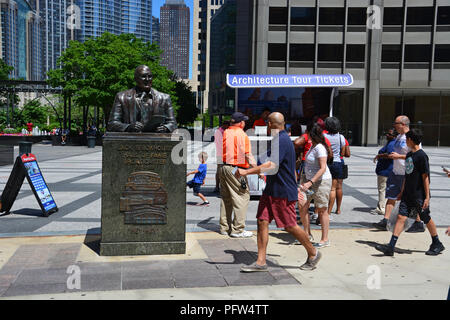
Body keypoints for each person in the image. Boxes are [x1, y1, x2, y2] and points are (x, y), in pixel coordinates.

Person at [238, 112, 322, 272]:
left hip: (282, 191)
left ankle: (313, 253)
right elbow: (269, 162)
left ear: (270, 124)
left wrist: (246, 172)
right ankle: (261, 262)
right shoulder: (278, 139)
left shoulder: (282, 140)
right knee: (262, 221)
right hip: (271, 190)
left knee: (289, 226)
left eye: (267, 123)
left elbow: (271, 165)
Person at [375, 129, 445, 256]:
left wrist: (427, 197)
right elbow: (407, 175)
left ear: (411, 140)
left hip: (419, 195)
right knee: (401, 217)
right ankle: (390, 247)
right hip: (407, 194)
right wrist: (402, 191)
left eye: (406, 139)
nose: (405, 141)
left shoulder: (422, 156)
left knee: (425, 218)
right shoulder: (409, 155)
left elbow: (425, 177)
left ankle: (437, 243)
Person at [375, 115, 425, 233]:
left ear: (403, 124)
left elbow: (416, 155)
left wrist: (399, 156)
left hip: (407, 174)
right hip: (395, 172)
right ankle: (385, 220)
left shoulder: (412, 137)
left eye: (396, 123)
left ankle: (418, 222)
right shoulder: (398, 137)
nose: (394, 125)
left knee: (412, 199)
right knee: (390, 196)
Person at [107, 65, 177, 133]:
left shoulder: (164, 98)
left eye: (149, 76)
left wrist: (166, 128)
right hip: (131, 141)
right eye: (143, 76)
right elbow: (112, 124)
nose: (147, 79)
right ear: (136, 79)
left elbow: (173, 123)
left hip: (155, 141)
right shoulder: (121, 97)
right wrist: (128, 127)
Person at [219, 112, 257, 238]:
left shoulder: (226, 132)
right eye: (244, 121)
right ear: (241, 123)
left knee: (226, 198)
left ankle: (225, 227)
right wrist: (257, 169)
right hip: (236, 169)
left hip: (223, 167)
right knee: (243, 196)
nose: (245, 123)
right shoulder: (241, 134)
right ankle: (238, 230)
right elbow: (247, 154)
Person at [299, 124, 333, 249]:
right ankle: (307, 234)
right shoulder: (312, 146)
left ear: (311, 134)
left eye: (306, 133)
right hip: (308, 181)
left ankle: (325, 239)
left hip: (321, 182)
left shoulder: (320, 148)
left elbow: (323, 168)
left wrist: (310, 182)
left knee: (322, 209)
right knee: (302, 205)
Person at [324, 117, 350, 216]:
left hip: (327, 163)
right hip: (338, 162)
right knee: (336, 188)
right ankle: (337, 209)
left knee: (326, 187)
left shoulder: (323, 136)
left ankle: (324, 209)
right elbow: (342, 153)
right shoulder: (341, 137)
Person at [371, 129, 397, 215]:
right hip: (388, 170)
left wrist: (379, 155)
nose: (387, 135)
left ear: (394, 136)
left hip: (385, 170)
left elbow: (390, 154)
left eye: (389, 134)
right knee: (386, 189)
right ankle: (384, 206)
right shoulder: (392, 143)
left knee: (382, 190)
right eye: (387, 133)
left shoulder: (392, 143)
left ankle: (381, 208)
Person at [214, 121, 230, 193]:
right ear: (225, 125)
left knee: (221, 170)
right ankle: (217, 186)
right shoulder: (219, 131)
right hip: (221, 153)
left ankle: (219, 186)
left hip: (222, 153)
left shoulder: (223, 131)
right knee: (220, 170)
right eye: (227, 125)